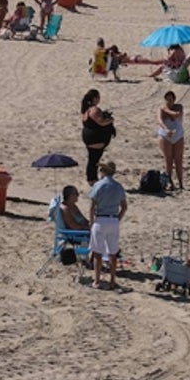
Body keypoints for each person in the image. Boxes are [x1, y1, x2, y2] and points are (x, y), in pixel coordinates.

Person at [88, 160, 127, 290]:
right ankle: (112, 280)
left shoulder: (98, 185)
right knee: (112, 252)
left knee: (98, 253)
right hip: (113, 220)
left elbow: (92, 206)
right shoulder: (118, 186)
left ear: (103, 172)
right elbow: (124, 206)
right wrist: (117, 219)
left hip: (101, 219)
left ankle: (97, 280)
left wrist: (91, 222)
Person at [80, 89, 116, 186]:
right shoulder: (94, 110)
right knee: (94, 159)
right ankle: (92, 179)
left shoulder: (85, 110)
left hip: (89, 137)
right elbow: (101, 122)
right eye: (98, 97)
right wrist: (111, 120)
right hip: (96, 138)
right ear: (94, 98)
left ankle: (91, 178)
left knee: (92, 158)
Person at [155, 91, 185, 190]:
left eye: (171, 99)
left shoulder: (179, 107)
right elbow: (159, 121)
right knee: (168, 160)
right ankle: (170, 183)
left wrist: (165, 109)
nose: (169, 101)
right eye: (167, 99)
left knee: (178, 160)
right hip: (165, 136)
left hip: (178, 136)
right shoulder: (160, 109)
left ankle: (181, 183)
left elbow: (176, 115)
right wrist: (166, 129)